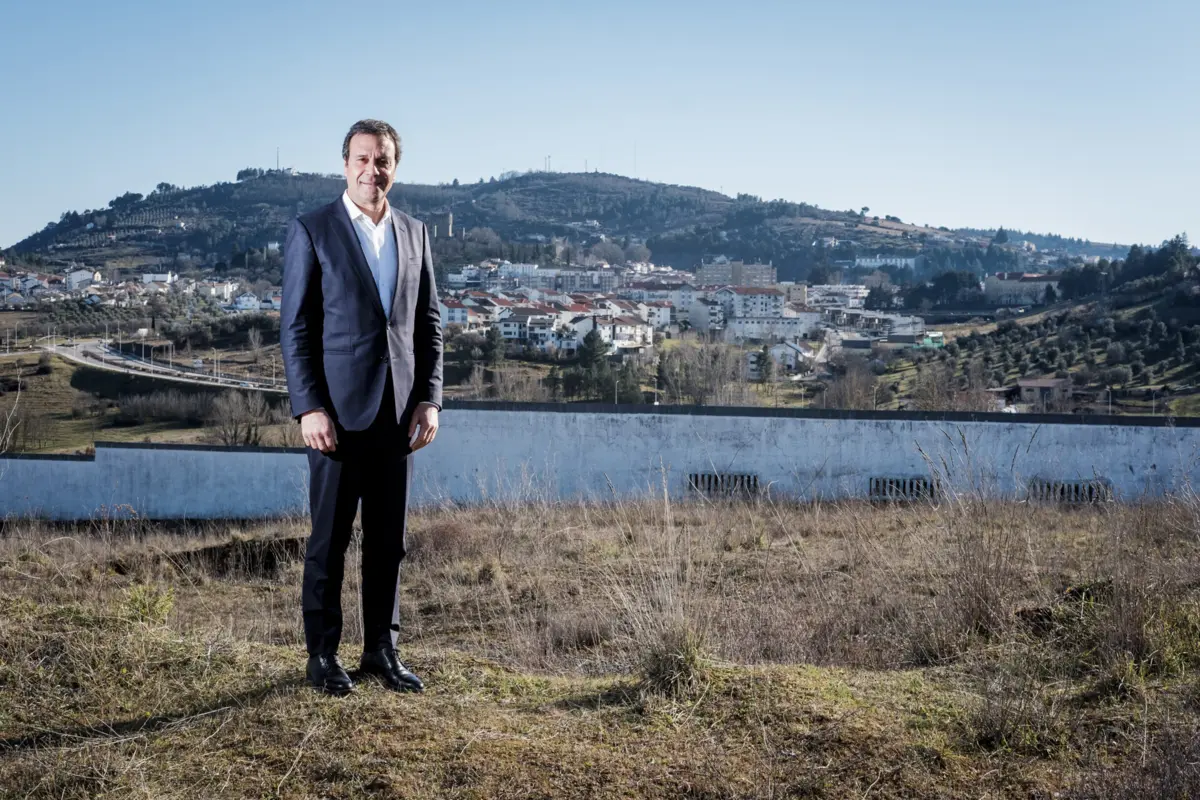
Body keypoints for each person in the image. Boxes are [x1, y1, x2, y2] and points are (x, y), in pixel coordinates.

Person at [281, 119, 442, 695]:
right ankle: (322, 655)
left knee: (388, 540)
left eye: (384, 160)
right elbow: (296, 330)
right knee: (329, 539)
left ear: (395, 167)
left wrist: (430, 397)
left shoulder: (416, 233)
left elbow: (429, 326)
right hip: (336, 417)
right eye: (363, 158)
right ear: (344, 163)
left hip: (399, 415)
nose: (373, 169)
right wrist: (308, 409)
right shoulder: (312, 230)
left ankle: (381, 650)